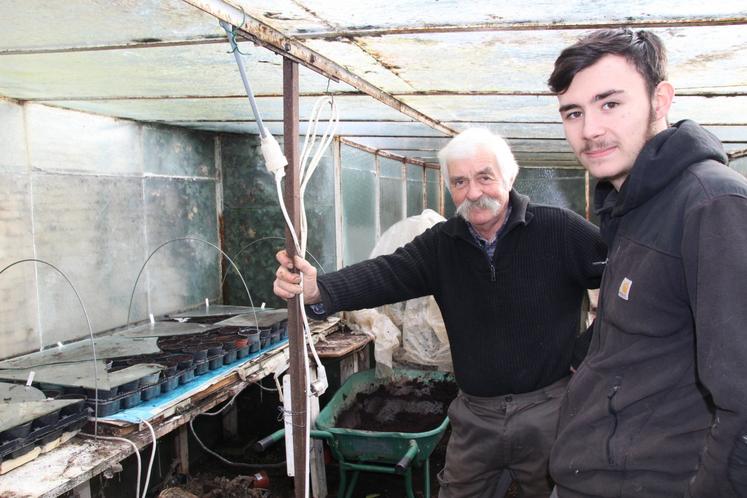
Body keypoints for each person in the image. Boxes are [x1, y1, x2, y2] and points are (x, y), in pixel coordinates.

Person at [273, 127, 606, 497]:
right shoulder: (442, 245)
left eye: (484, 177)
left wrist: (588, 351)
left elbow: (625, 277)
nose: (474, 193)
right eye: (460, 182)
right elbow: (387, 272)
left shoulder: (559, 229)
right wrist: (321, 288)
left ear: (510, 176)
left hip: (550, 409)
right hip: (476, 414)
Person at [546, 28, 747, 497]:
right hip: (595, 466)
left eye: (609, 103)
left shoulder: (710, 203)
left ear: (661, 100)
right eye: (573, 112)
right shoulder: (629, 205)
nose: (590, 129)